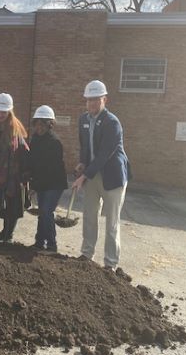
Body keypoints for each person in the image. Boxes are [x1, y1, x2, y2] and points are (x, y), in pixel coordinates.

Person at [72, 80, 131, 270]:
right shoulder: (83, 120)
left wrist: (83, 176)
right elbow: (85, 146)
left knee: (111, 222)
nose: (91, 104)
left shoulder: (112, 122)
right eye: (88, 100)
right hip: (92, 174)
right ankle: (87, 254)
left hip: (112, 176)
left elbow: (105, 154)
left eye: (95, 100)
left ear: (104, 99)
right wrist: (82, 163)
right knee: (89, 215)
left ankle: (110, 264)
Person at [26, 105, 67, 252]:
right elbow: (32, 162)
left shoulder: (54, 142)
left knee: (46, 212)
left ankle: (51, 245)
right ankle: (39, 242)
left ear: (50, 124)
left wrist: (35, 186)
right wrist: (31, 183)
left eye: (43, 124)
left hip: (54, 183)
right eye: (37, 123)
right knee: (43, 213)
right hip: (42, 181)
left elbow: (49, 169)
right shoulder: (35, 139)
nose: (39, 127)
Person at [0, 93, 29, 242]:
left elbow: (10, 157)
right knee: (6, 203)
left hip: (13, 174)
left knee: (12, 205)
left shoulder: (12, 131)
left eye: (3, 112)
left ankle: (8, 234)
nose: (0, 114)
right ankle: (5, 232)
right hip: (3, 172)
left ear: (9, 112)